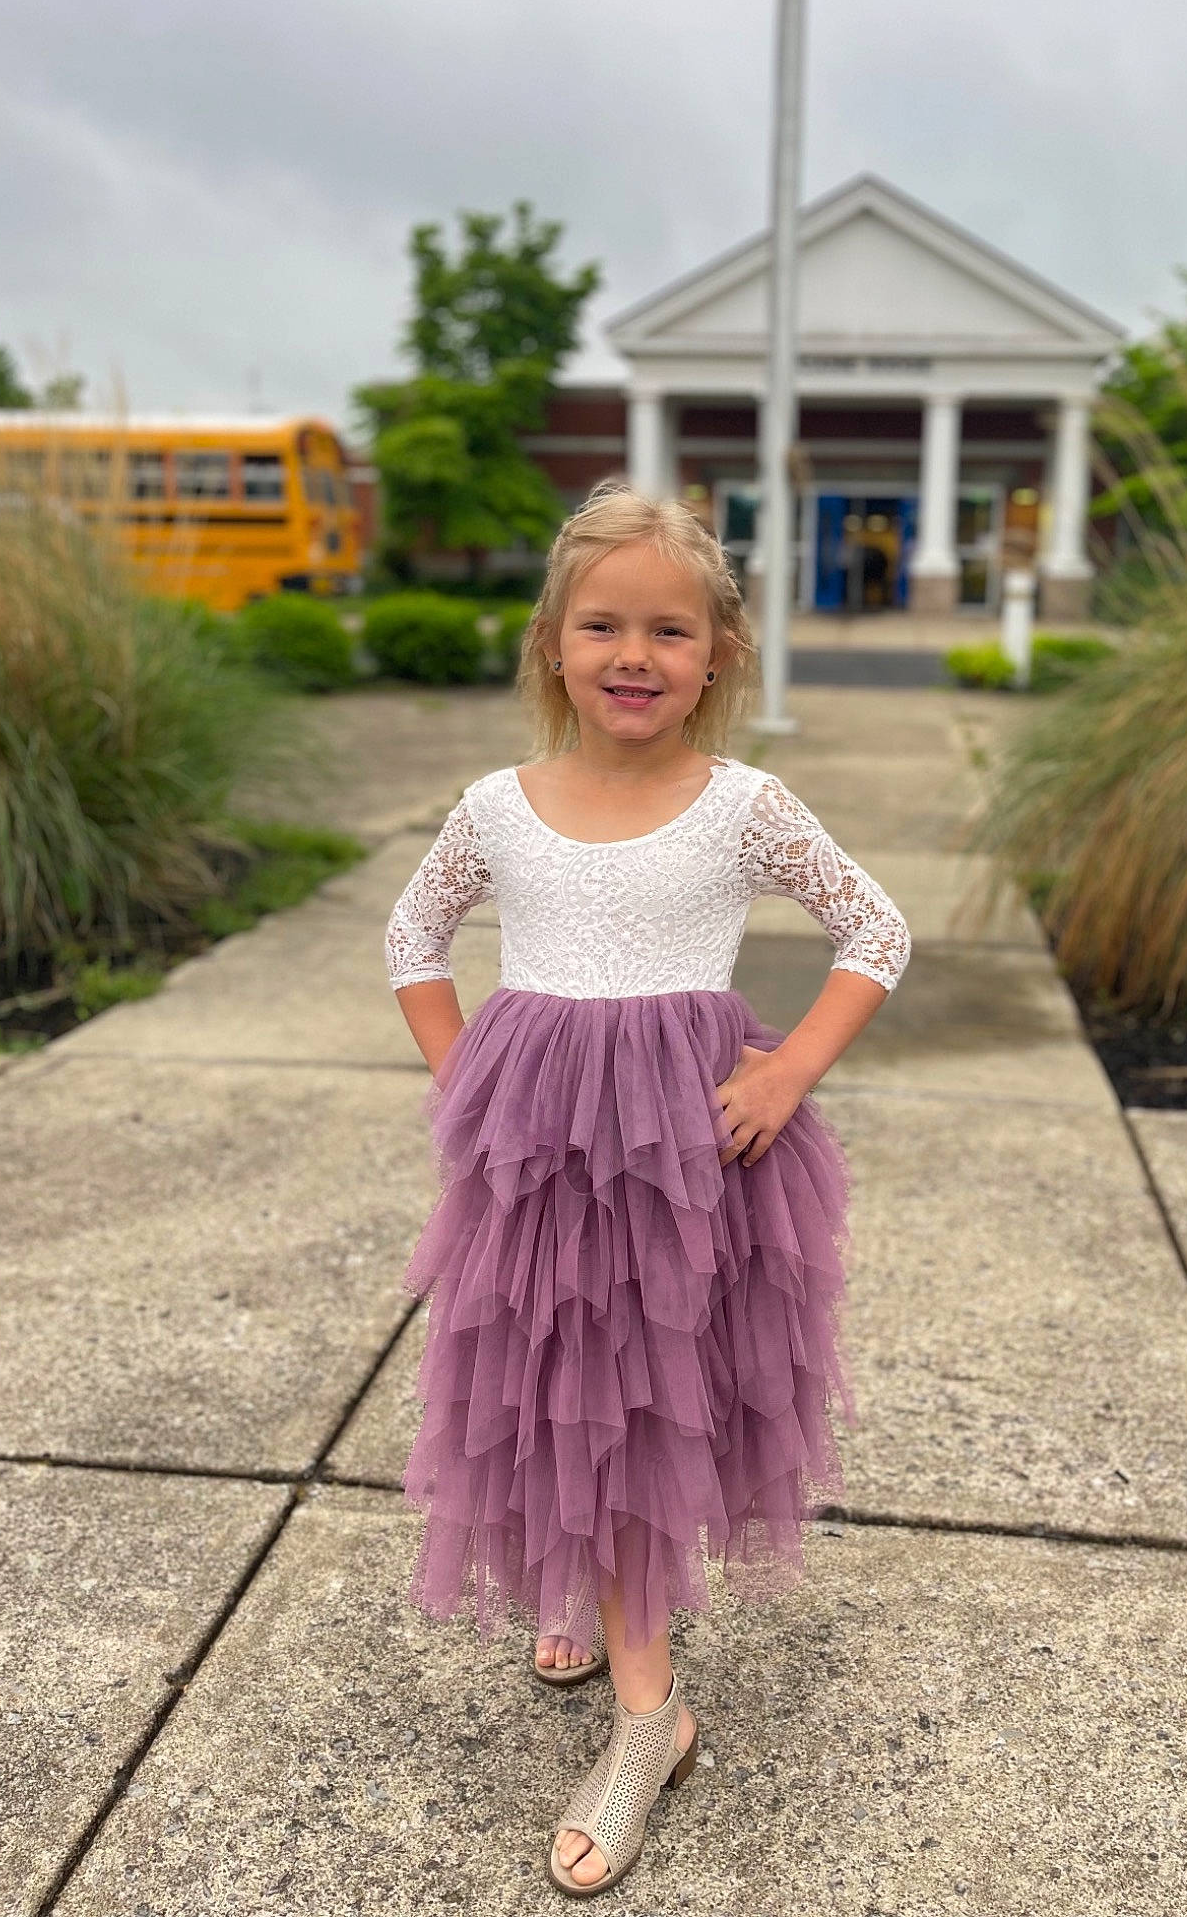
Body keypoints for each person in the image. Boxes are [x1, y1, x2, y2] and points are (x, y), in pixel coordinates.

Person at [383, 479, 911, 1898]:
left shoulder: (742, 805)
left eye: (669, 630)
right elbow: (412, 936)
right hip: (546, 1158)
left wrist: (789, 1068)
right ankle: (594, 1607)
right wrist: (465, 1082)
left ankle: (647, 1713)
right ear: (551, 643)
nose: (635, 654)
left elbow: (876, 925)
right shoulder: (499, 808)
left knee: (645, 1389)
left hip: (691, 1157)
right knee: (555, 1377)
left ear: (719, 652)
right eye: (603, 625)